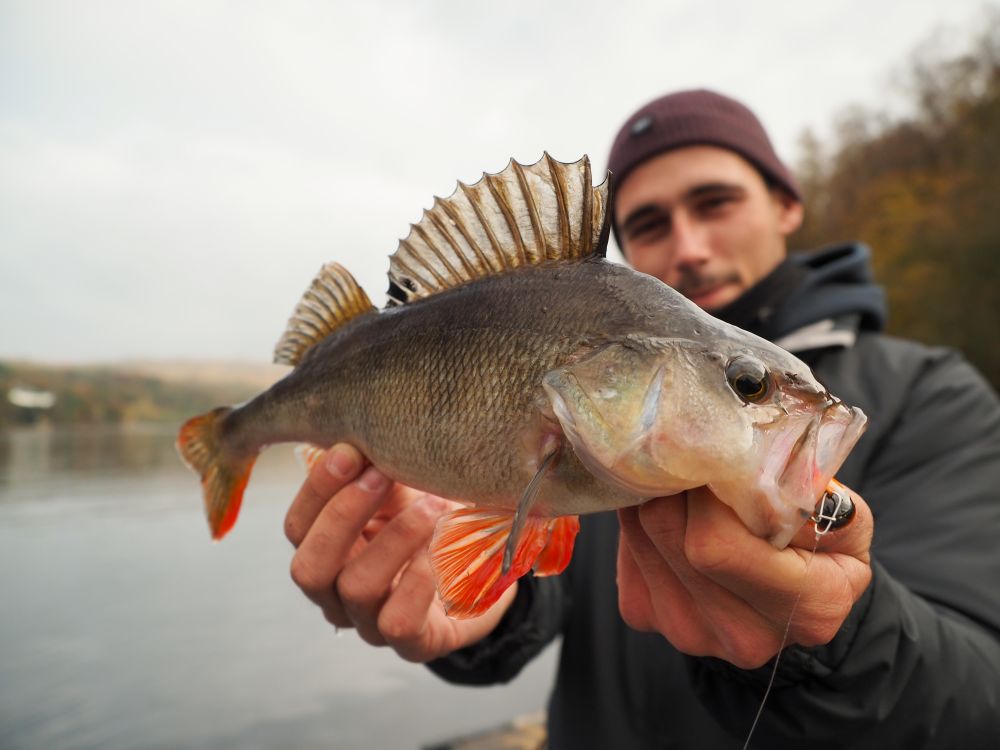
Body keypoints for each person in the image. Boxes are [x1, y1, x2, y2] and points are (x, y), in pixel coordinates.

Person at [283, 90, 1000, 748]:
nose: (688, 246)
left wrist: (835, 641)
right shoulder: (619, 444)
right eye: (650, 222)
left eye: (715, 203)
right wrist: (481, 616)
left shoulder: (933, 396)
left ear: (787, 204)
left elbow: (981, 700)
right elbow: (537, 581)